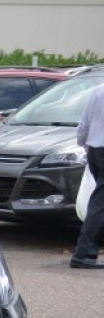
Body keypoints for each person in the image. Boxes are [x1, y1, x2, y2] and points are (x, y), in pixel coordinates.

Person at [70, 83, 104, 268]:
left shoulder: (98, 90)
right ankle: (83, 252)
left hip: (95, 149)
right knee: (100, 203)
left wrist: (84, 144)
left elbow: (84, 124)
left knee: (99, 200)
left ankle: (86, 251)